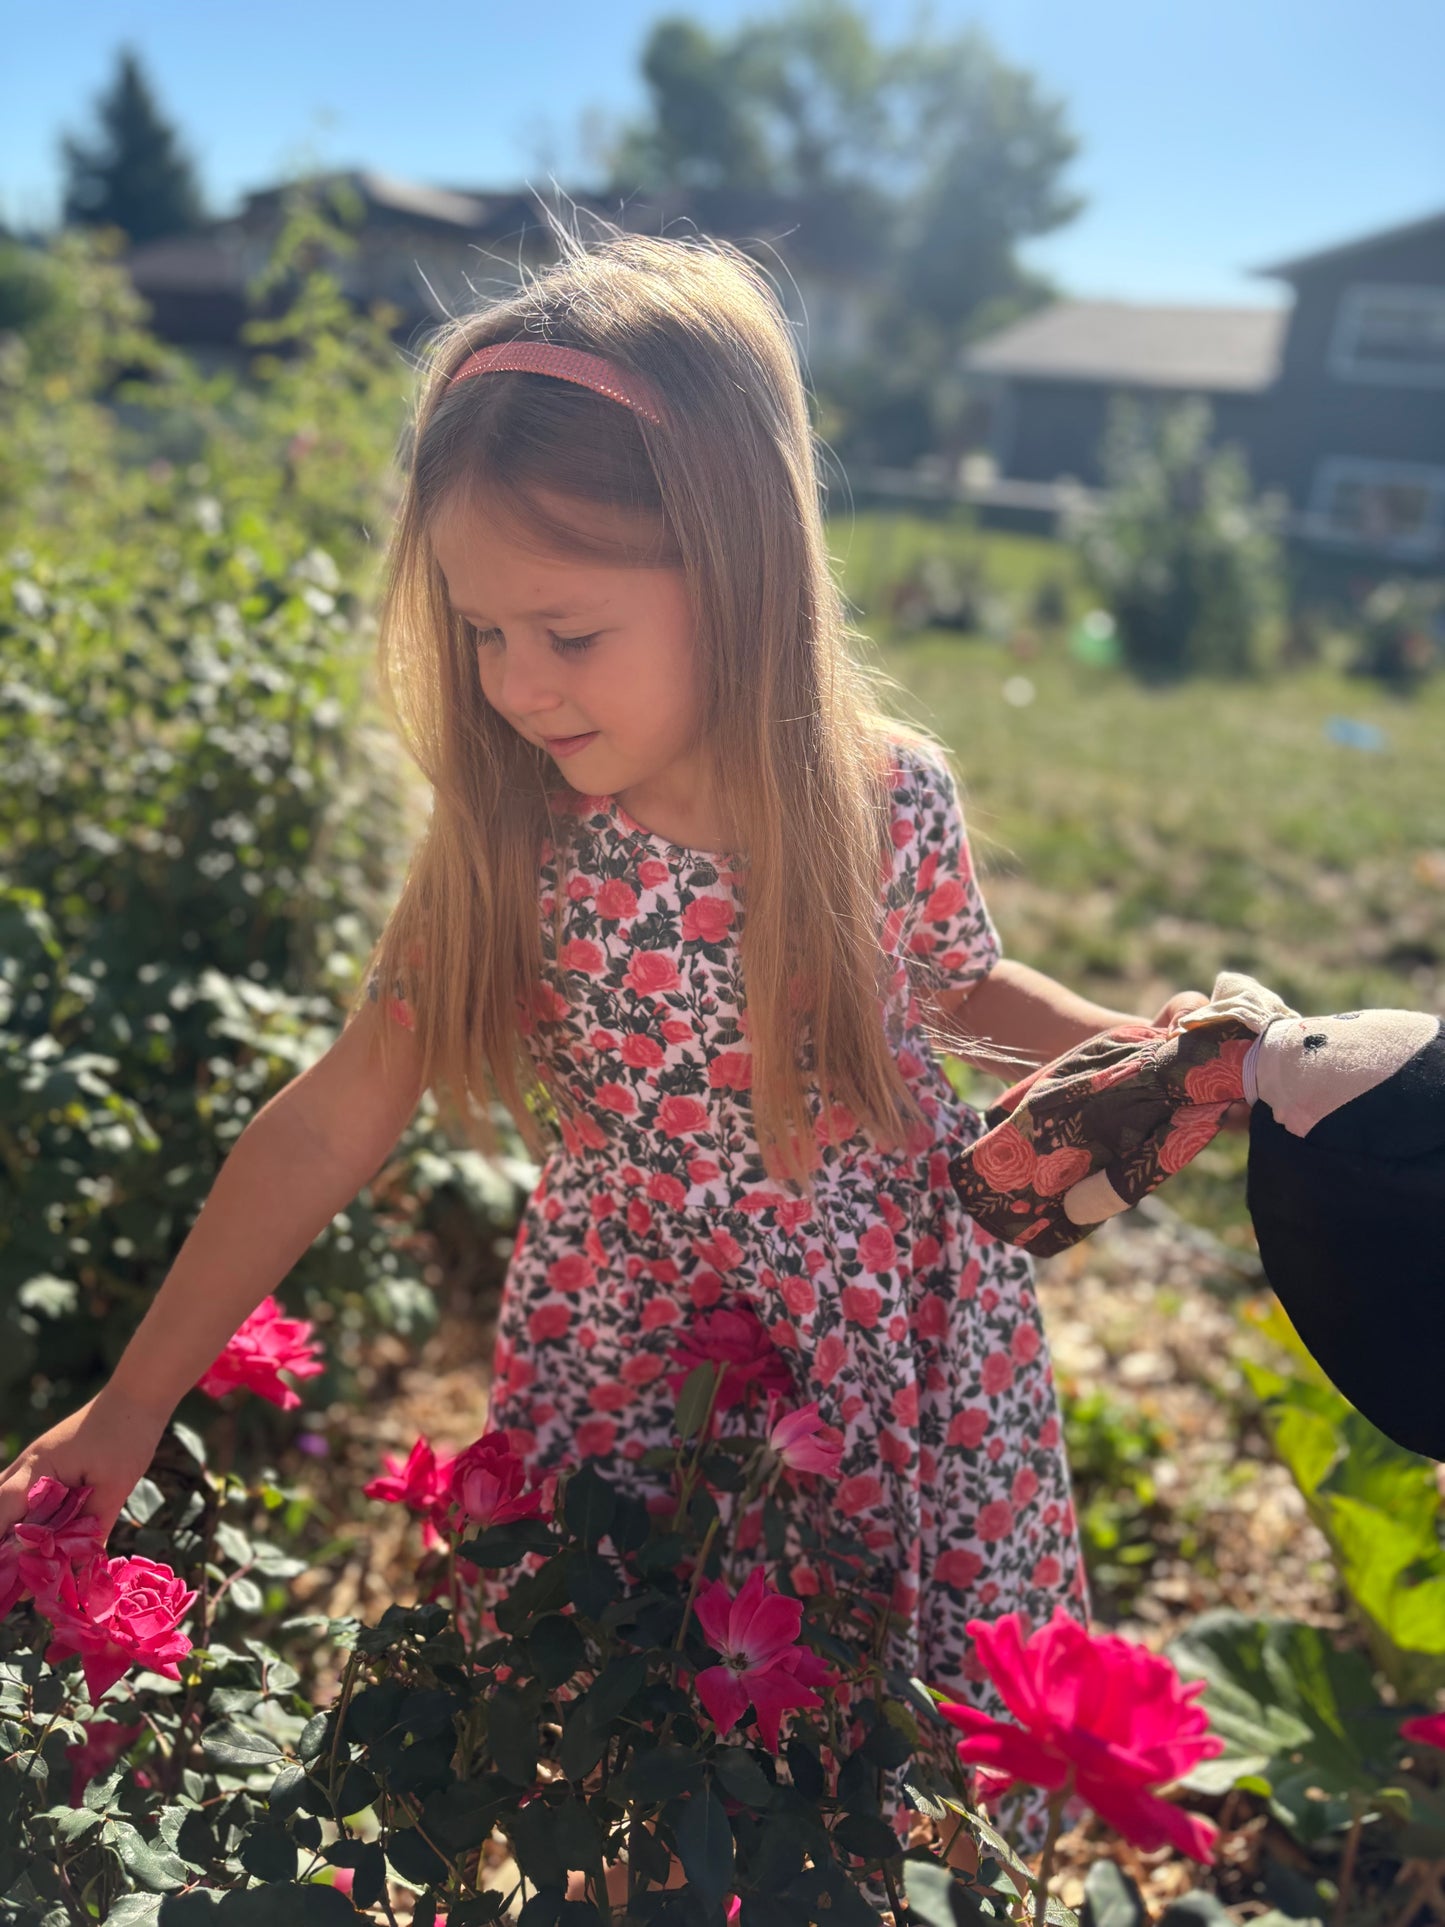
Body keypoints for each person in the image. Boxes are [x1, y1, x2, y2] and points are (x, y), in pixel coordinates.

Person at [0, 223, 1211, 1873]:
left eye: (564, 635)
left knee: (864, 1741)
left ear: (739, 564)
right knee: (625, 1705)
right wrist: (131, 1404)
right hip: (628, 1322)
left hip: (880, 1326)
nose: (511, 686)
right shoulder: (515, 837)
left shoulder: (877, 801)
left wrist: (1177, 1051)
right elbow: (335, 1115)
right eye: (478, 631)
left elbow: (956, 984)